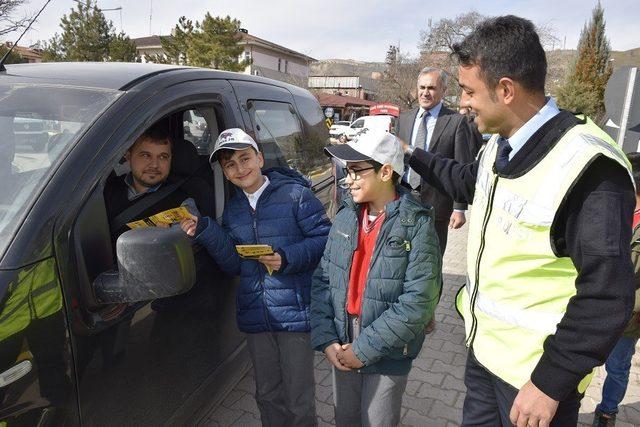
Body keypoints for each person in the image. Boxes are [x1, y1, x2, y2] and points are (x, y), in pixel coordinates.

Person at [403, 15, 636, 426]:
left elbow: (607, 293)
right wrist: (410, 153)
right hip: (484, 357)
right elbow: (467, 182)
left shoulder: (588, 166)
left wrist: (549, 383)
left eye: (469, 91)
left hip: (534, 383)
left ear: (506, 90)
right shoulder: (499, 147)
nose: (463, 103)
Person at [180, 128, 331, 427]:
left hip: (294, 314)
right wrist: (207, 230)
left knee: (298, 397)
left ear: (260, 158)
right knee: (266, 393)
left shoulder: (295, 195)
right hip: (256, 316)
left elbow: (325, 239)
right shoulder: (233, 210)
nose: (240, 168)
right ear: (225, 173)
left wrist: (286, 257)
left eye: (245, 158)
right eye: (230, 165)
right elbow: (234, 264)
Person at [311, 129, 441, 426]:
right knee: (345, 417)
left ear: (385, 171)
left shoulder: (416, 224)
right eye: (347, 171)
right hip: (343, 338)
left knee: (377, 420)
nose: (348, 179)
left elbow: (418, 303)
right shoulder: (345, 215)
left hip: (389, 348)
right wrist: (327, 338)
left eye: (357, 171)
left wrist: (364, 349)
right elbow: (322, 279)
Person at [397, 67, 482, 255]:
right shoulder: (404, 119)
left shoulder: (456, 121)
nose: (425, 93)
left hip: (436, 205)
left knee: (430, 262)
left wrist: (459, 208)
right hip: (403, 200)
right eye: (422, 87)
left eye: (432, 88)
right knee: (400, 257)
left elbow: (462, 167)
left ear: (443, 90)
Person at [593, 152, 640, 426]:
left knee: (618, 367)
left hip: (627, 315)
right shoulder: (614, 208)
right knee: (578, 360)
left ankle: (607, 411)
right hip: (594, 303)